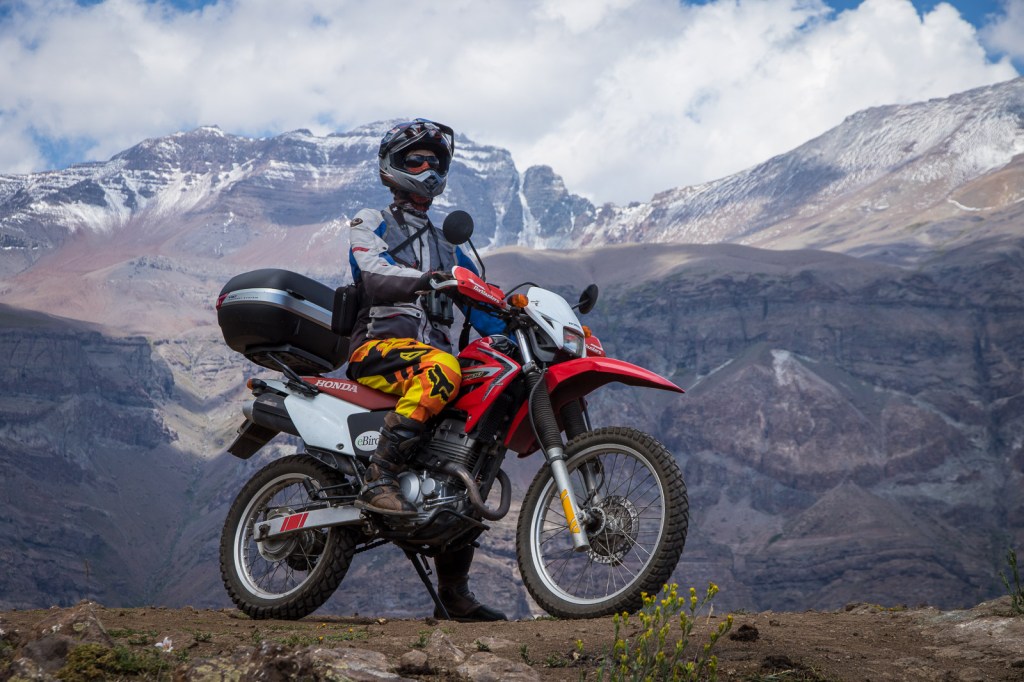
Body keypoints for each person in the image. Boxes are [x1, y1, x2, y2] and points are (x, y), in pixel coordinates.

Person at [345, 118, 506, 622]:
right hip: (379, 350)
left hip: (433, 366)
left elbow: (483, 306)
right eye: (416, 160)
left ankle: (453, 592)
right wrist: (425, 280)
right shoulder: (370, 220)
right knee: (442, 366)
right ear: (392, 167)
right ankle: (380, 477)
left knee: (474, 447)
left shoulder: (450, 245)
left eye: (434, 162)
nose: (427, 169)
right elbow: (371, 272)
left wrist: (519, 314)